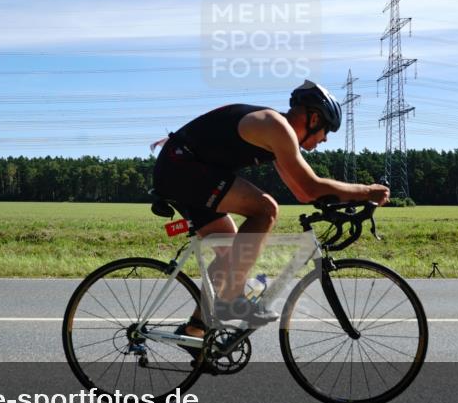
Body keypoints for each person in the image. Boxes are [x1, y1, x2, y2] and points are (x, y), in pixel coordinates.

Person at [151, 80, 390, 346]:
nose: (324, 140)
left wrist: (341, 202)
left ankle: (195, 329)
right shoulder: (277, 127)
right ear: (313, 118)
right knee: (265, 209)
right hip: (182, 169)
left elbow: (302, 193)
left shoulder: (276, 134)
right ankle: (230, 301)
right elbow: (311, 187)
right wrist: (367, 191)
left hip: (181, 168)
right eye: (326, 131)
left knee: (232, 253)